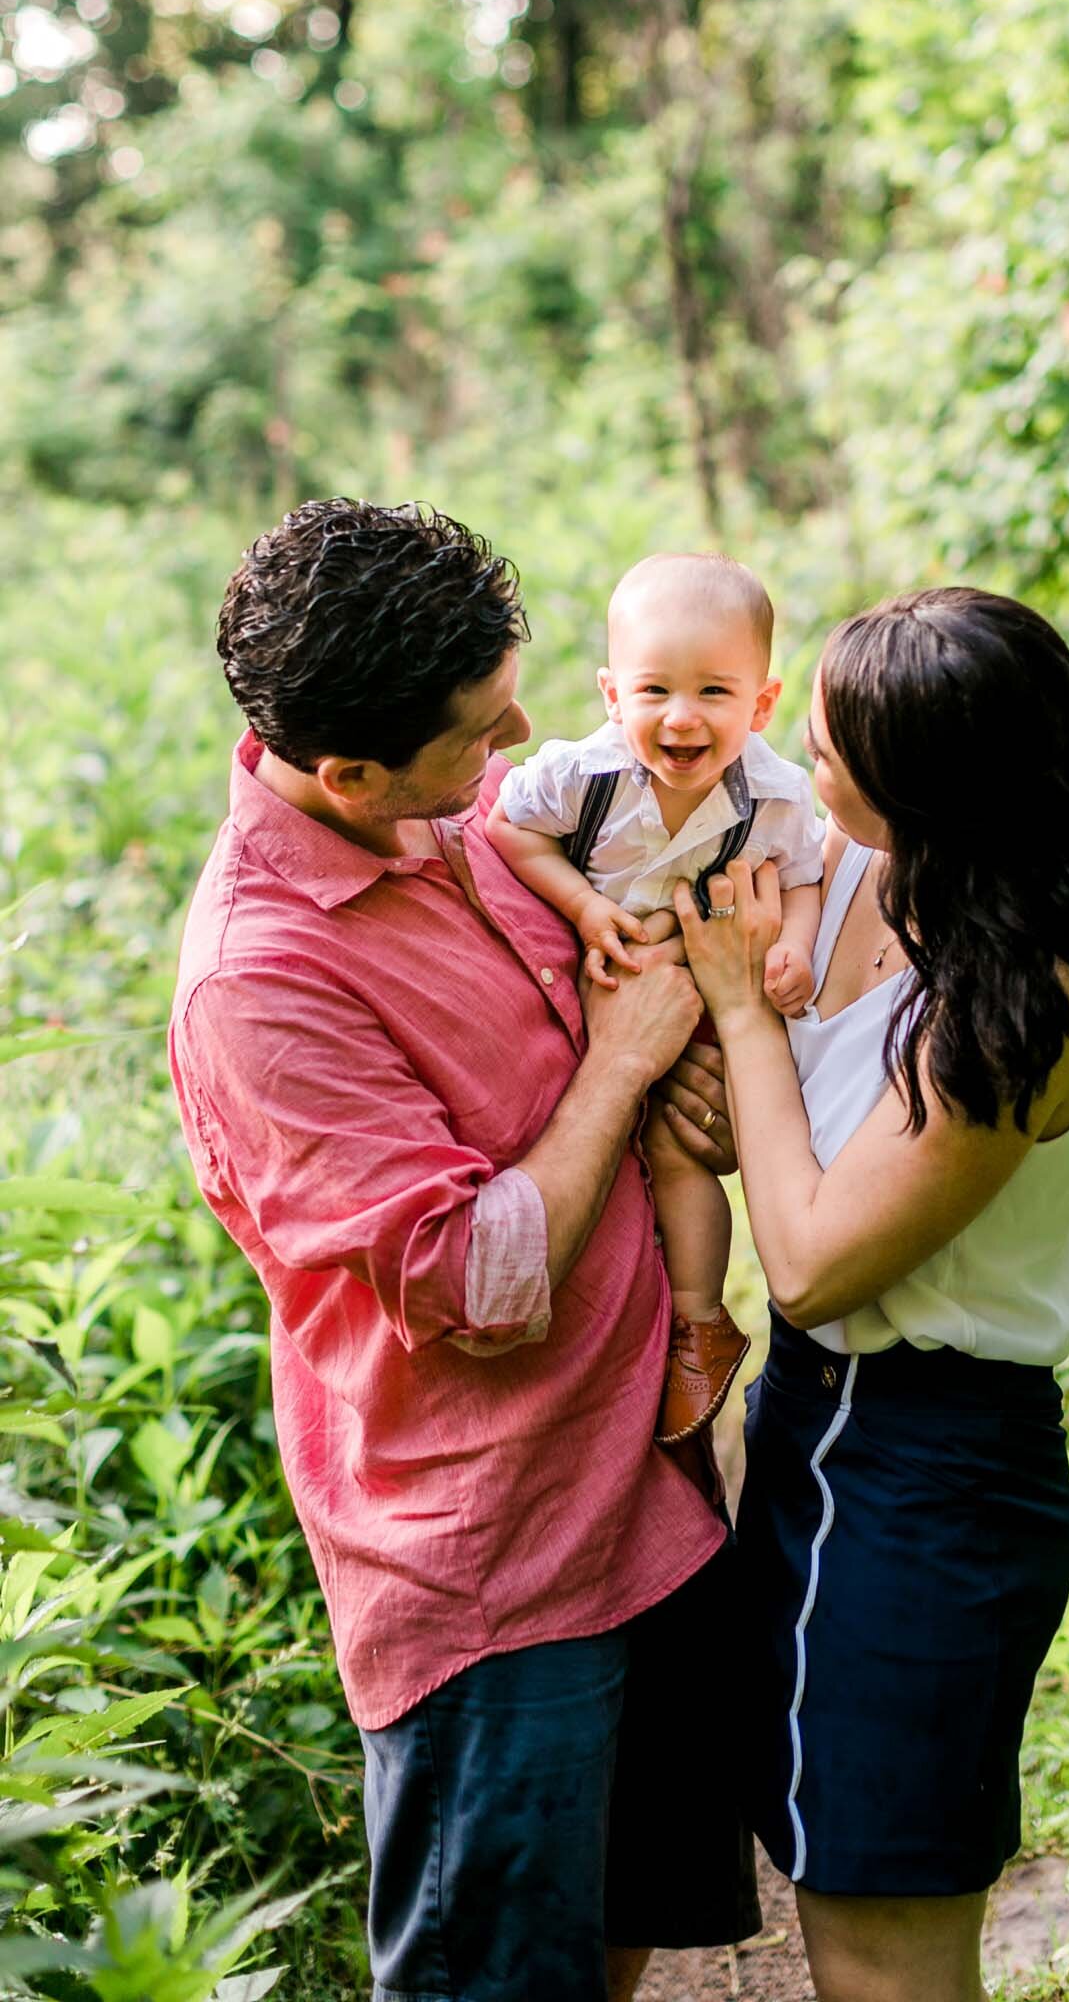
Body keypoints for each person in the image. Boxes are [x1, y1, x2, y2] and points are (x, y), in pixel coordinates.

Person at [167, 498, 760, 2002]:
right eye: (484, 735)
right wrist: (625, 1066)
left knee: (622, 1936)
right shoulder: (264, 980)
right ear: (349, 774)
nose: (526, 740)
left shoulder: (460, 822)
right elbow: (474, 1286)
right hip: (502, 1572)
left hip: (652, 1496)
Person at [675, 587, 1069, 2002]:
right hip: (812, 1423)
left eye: (836, 742)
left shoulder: (1030, 996)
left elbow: (810, 1256)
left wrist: (737, 1015)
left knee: (882, 1940)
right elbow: (748, 1142)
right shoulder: (863, 868)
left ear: (937, 781)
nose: (805, 760)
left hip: (931, 1466)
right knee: (833, 1873)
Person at [487, 550, 823, 1443]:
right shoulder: (581, 776)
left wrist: (791, 943)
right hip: (607, 982)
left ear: (760, 704)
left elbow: (803, 878)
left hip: (704, 990)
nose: (681, 717)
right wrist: (585, 904)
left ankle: (699, 1323)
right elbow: (508, 829)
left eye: (714, 693)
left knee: (678, 1148)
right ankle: (607, 1348)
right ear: (611, 695)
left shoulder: (775, 795)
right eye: (653, 692)